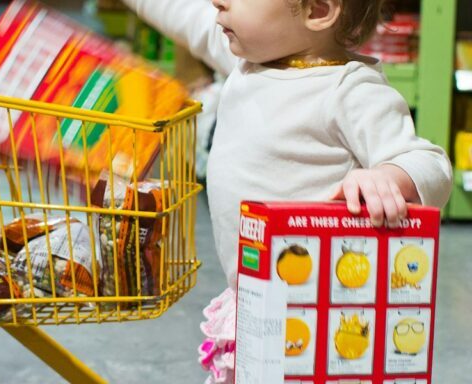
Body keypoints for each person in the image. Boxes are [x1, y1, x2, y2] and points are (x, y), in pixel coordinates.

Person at [120, 0, 453, 382]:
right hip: (259, 305)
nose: (217, 2)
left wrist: (390, 175)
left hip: (322, 325)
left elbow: (429, 163)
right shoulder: (249, 59)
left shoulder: (348, 89)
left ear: (317, 10)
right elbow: (182, 13)